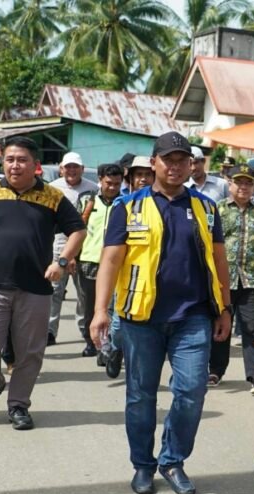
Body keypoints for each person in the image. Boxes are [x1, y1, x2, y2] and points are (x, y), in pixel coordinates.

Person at [90, 131, 232, 494]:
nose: (175, 165)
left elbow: (219, 259)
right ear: (152, 163)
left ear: (192, 165)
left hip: (193, 316)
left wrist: (225, 308)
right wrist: (100, 311)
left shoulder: (205, 207)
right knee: (141, 395)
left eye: (182, 160)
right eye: (168, 159)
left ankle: (172, 460)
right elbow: (110, 260)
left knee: (191, 391)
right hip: (141, 318)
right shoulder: (128, 206)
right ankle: (142, 464)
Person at [0, 136, 86, 431]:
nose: (15, 166)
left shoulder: (52, 197)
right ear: (3, 162)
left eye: (22, 160)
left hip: (35, 289)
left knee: (30, 351)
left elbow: (78, 230)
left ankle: (18, 405)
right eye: (10, 160)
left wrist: (62, 262)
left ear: (35, 165)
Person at [209, 164, 254, 394]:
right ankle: (215, 370)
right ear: (229, 183)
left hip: (252, 280)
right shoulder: (217, 210)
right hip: (222, 280)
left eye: (248, 183)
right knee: (220, 324)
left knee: (252, 327)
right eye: (239, 182)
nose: (244, 187)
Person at [101, 156, 156, 378]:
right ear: (131, 178)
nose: (143, 179)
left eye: (147, 174)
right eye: (139, 175)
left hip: (150, 276)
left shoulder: (160, 205)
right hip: (123, 274)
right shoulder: (122, 204)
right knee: (118, 322)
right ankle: (116, 348)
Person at [47, 151, 98, 352]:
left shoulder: (94, 189)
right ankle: (49, 332)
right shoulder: (52, 189)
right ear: (61, 169)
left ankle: (87, 335)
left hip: (85, 249)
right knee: (54, 292)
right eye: (68, 167)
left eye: (75, 167)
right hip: (57, 247)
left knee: (84, 295)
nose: (71, 170)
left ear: (82, 169)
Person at [77, 163, 123, 370]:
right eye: (108, 183)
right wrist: (70, 257)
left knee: (113, 308)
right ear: (100, 179)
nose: (112, 188)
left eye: (117, 184)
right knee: (90, 306)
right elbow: (76, 229)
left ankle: (109, 348)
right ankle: (92, 342)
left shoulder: (126, 203)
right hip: (89, 261)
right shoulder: (87, 200)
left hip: (116, 264)